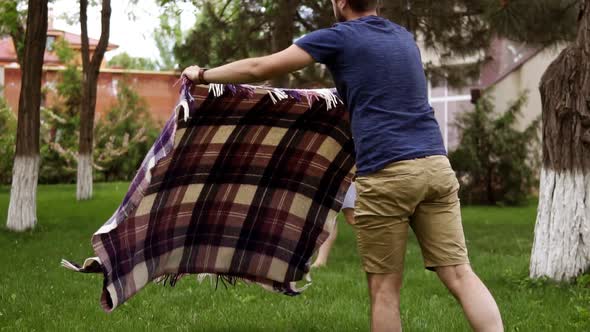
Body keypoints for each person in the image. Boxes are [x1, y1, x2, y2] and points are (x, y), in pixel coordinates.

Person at [182, 1, 504, 331]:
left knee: (384, 292)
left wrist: (203, 74)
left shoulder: (339, 37)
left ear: (342, 3)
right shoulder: (404, 38)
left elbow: (259, 67)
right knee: (461, 274)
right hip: (436, 166)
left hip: (387, 173)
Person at [312, 182, 356, 268]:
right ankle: (321, 261)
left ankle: (383, 239)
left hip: (345, 178)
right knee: (326, 214)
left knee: (352, 218)